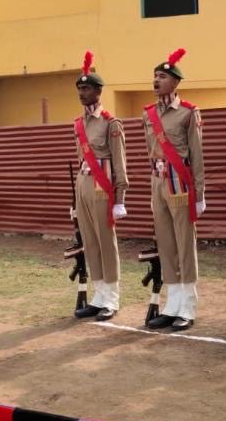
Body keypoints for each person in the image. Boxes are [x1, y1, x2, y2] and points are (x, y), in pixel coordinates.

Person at [143, 48, 205, 331]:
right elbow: (150, 150)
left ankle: (187, 307)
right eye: (155, 75)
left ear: (176, 82)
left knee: (184, 243)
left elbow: (197, 155)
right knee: (166, 244)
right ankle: (172, 305)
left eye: (163, 76)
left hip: (180, 182)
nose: (157, 80)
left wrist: (199, 194)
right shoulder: (148, 113)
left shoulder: (188, 113)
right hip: (158, 181)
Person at [71, 51, 129, 321]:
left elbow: (119, 163)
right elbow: (80, 159)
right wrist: (75, 199)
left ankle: (112, 299)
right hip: (83, 185)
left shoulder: (110, 123)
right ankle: (99, 296)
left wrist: (120, 199)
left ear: (98, 91)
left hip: (102, 186)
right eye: (79, 89)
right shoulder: (78, 123)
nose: (82, 93)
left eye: (86, 89)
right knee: (90, 241)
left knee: (106, 242)